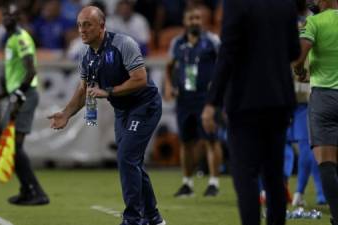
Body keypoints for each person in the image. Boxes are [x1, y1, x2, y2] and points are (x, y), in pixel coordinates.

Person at [48, 6, 165, 225]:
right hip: (123, 111)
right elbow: (83, 90)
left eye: (87, 25)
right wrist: (66, 113)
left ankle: (133, 219)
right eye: (79, 25)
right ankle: (154, 218)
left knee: (127, 158)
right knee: (132, 161)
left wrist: (109, 92)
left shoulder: (123, 44)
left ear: (102, 26)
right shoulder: (86, 55)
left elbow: (140, 78)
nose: (82, 30)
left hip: (145, 105)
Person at [201, 0, 300, 225]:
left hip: (246, 100)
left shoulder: (236, 3)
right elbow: (294, 50)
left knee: (245, 175)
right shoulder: (285, 4)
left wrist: (212, 102)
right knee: (274, 176)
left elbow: (227, 52)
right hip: (279, 98)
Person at [0, 2, 49, 206]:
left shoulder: (21, 39)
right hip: (17, 94)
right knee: (13, 146)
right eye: (5, 15)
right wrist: (1, 95)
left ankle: (37, 192)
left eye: (12, 15)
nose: (8, 19)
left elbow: (31, 71)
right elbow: (18, 75)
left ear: (20, 17)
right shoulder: (11, 39)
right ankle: (26, 190)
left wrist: (17, 95)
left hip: (24, 95)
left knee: (14, 146)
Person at [164, 6, 223, 198]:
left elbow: (224, 65)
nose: (195, 22)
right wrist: (168, 86)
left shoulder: (212, 41)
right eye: (191, 18)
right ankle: (187, 183)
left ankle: (214, 182)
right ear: (185, 21)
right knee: (186, 142)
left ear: (203, 20)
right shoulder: (177, 43)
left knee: (211, 140)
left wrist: (217, 91)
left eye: (198, 18)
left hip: (206, 99)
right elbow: (169, 67)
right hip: (185, 99)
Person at [293, 0, 338, 224]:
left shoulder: (313, 22)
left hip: (324, 98)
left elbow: (298, 58)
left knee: (327, 162)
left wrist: (300, 71)